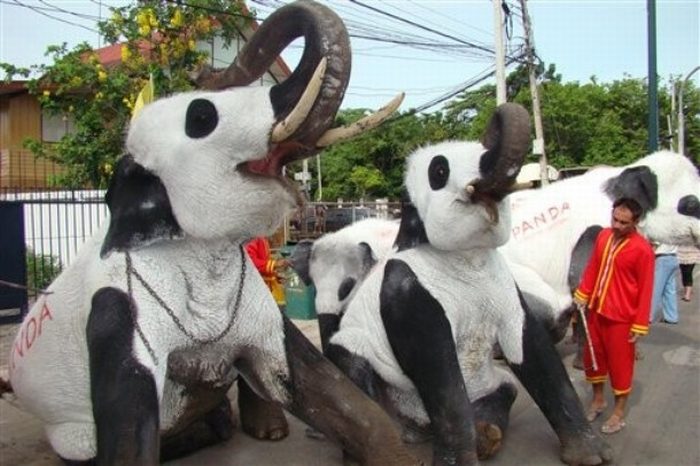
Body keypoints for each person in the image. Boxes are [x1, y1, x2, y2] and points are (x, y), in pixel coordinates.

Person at [573, 197, 654, 435]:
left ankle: (618, 412)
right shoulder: (604, 237)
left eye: (623, 223)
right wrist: (583, 293)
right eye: (615, 219)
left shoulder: (643, 250)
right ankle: (598, 399)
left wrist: (638, 325)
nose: (617, 225)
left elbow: (647, 289)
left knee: (620, 366)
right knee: (592, 359)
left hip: (621, 319)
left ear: (635, 222)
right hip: (596, 311)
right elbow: (593, 268)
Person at [245, 236, 289, 311]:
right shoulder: (253, 237)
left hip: (266, 289)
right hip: (257, 290)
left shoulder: (262, 238)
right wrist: (275, 264)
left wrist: (275, 276)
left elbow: (264, 261)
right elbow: (251, 262)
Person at [650, 243, 679, 323]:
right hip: (674, 256)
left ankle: (649, 316)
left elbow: (655, 243)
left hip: (662, 257)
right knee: (670, 289)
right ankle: (672, 316)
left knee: (656, 289)